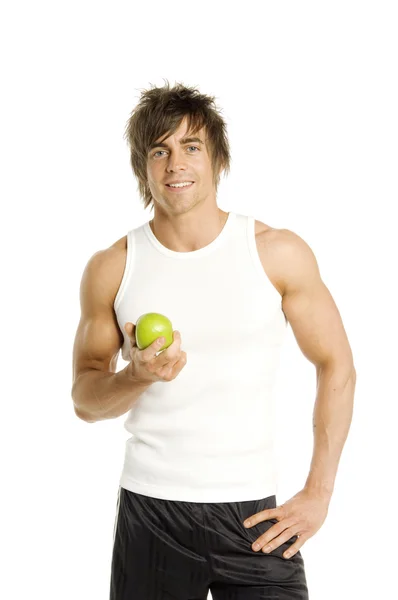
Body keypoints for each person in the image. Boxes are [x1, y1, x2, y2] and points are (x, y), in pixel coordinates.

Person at [71, 81, 356, 600]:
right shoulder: (113, 267)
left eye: (191, 147)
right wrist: (134, 378)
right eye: (160, 151)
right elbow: (85, 401)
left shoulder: (276, 252)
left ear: (217, 159)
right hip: (150, 512)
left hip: (255, 516)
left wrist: (319, 492)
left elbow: (337, 364)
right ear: (143, 167)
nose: (175, 163)